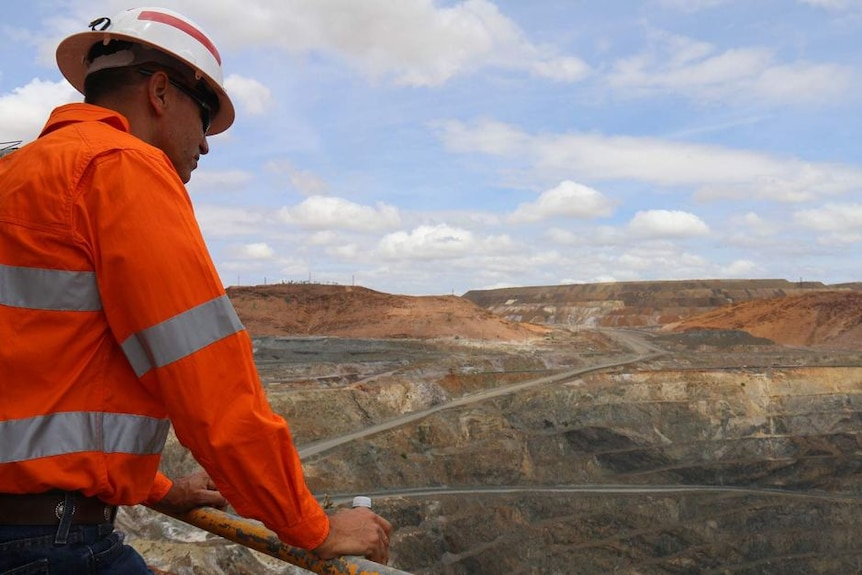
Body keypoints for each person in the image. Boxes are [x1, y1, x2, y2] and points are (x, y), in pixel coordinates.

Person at [0, 7, 392, 573]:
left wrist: (158, 490)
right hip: (49, 545)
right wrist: (316, 527)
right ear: (160, 92)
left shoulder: (17, 174)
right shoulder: (121, 168)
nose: (206, 146)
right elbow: (211, 385)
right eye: (205, 117)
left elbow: (39, 383)